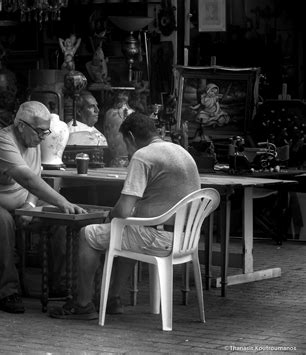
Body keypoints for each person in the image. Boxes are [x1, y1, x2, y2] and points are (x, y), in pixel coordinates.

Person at [49, 111, 201, 319]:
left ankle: (82, 304)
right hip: (187, 239)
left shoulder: (144, 155)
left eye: (125, 142)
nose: (126, 148)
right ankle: (113, 298)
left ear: (130, 136)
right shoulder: (183, 152)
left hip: (159, 239)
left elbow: (123, 211)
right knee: (127, 231)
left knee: (88, 234)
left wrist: (108, 215)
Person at [0, 101, 87, 314]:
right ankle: (8, 291)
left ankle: (58, 283)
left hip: (16, 204)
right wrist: (62, 200)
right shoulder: (3, 142)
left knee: (59, 217)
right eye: (40, 131)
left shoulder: (32, 142)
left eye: (46, 131)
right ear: (21, 125)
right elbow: (28, 179)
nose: (43, 136)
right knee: (1, 219)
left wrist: (30, 204)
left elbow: (35, 178)